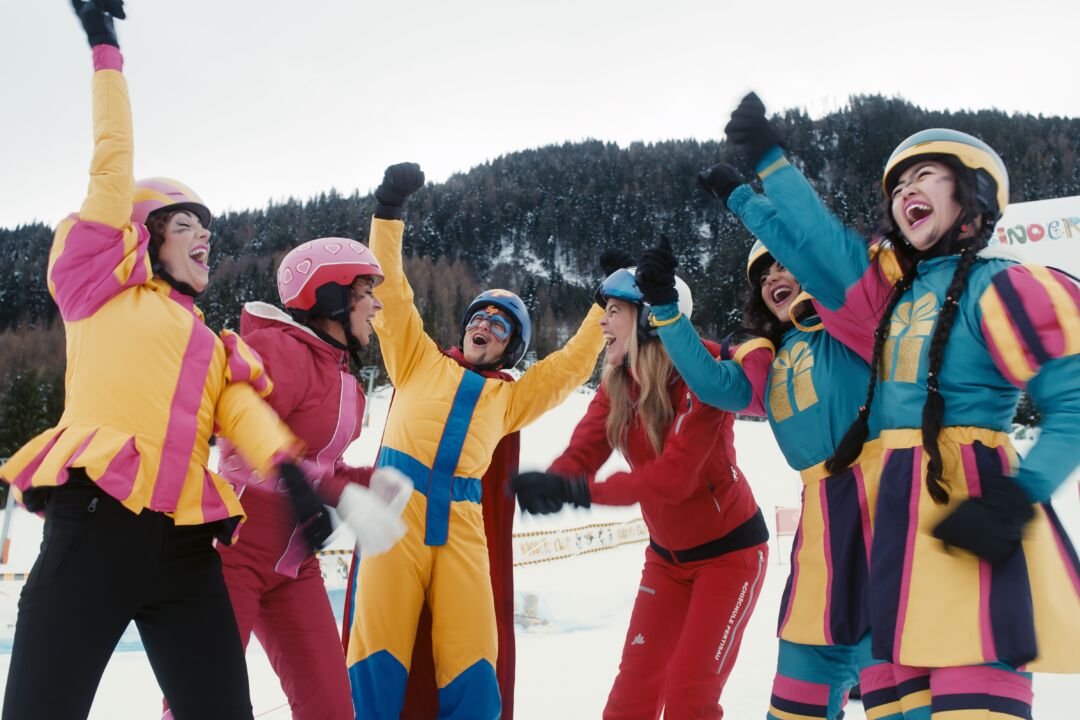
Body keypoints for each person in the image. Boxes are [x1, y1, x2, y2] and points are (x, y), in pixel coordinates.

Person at [723, 92, 1080, 716]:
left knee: (976, 701)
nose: (905, 189)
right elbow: (816, 247)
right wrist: (761, 175)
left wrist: (1018, 495)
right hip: (892, 539)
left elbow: (1073, 398)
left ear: (971, 198)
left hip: (968, 517)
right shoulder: (885, 305)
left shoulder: (1000, 284)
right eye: (898, 183)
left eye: (924, 174)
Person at [0, 3, 311, 718]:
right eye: (185, 225)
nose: (204, 236)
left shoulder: (211, 343)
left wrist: (294, 480)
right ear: (145, 238)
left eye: (208, 228)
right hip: (96, 532)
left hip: (184, 551)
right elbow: (113, 166)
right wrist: (106, 50)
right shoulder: (98, 290)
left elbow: (243, 414)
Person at [343, 163, 607, 719]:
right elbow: (391, 286)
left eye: (503, 323)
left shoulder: (510, 398)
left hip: (462, 522)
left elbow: (567, 369)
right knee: (377, 652)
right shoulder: (418, 358)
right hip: (397, 510)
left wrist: (601, 306)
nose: (486, 322)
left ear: (511, 350)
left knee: (471, 655)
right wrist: (388, 212)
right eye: (480, 314)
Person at [635, 224, 892, 719]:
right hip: (822, 530)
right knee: (797, 698)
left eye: (784, 262)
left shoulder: (856, 324)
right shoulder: (767, 361)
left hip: (887, 515)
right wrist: (666, 307)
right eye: (764, 273)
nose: (773, 276)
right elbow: (713, 385)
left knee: (896, 695)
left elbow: (863, 274)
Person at [512, 266, 769, 720]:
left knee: (690, 695)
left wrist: (580, 492)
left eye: (613, 312)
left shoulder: (703, 375)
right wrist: (554, 482)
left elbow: (674, 478)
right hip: (667, 560)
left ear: (651, 318)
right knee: (632, 694)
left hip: (730, 557)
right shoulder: (619, 381)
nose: (601, 323)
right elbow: (584, 451)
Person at [195, 238, 413, 720]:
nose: (377, 303)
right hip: (234, 551)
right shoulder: (277, 350)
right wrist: (339, 492)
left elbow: (321, 465)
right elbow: (241, 447)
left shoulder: (345, 380)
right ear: (332, 296)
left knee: (332, 708)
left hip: (295, 564)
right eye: (366, 290)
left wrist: (368, 482)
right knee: (206, 700)